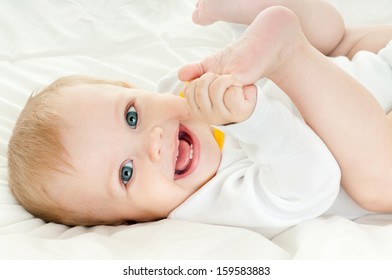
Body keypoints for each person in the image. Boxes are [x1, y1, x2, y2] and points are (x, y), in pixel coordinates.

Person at [7, 0, 392, 237]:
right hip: (376, 107)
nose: (153, 141)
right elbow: (313, 185)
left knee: (335, 39)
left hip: (369, 71)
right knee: (379, 180)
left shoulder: (183, 90)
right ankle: (288, 47)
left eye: (131, 116)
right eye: (126, 172)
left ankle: (259, 18)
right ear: (128, 223)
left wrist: (249, 45)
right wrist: (254, 120)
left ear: (133, 88)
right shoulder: (208, 202)